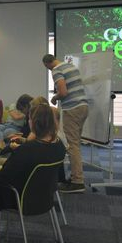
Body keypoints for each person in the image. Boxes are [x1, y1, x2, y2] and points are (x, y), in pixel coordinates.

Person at [0, 104, 67, 209]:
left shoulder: (27, 150)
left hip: (19, 198)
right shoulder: (59, 146)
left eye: (29, 119)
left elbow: (3, 176)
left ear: (34, 122)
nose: (28, 121)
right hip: (45, 196)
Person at [43, 54, 88, 193]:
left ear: (47, 64)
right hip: (83, 107)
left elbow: (63, 92)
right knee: (76, 145)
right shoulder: (71, 66)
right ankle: (76, 177)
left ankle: (77, 182)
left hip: (72, 108)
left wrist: (54, 98)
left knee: (72, 146)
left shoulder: (56, 70)